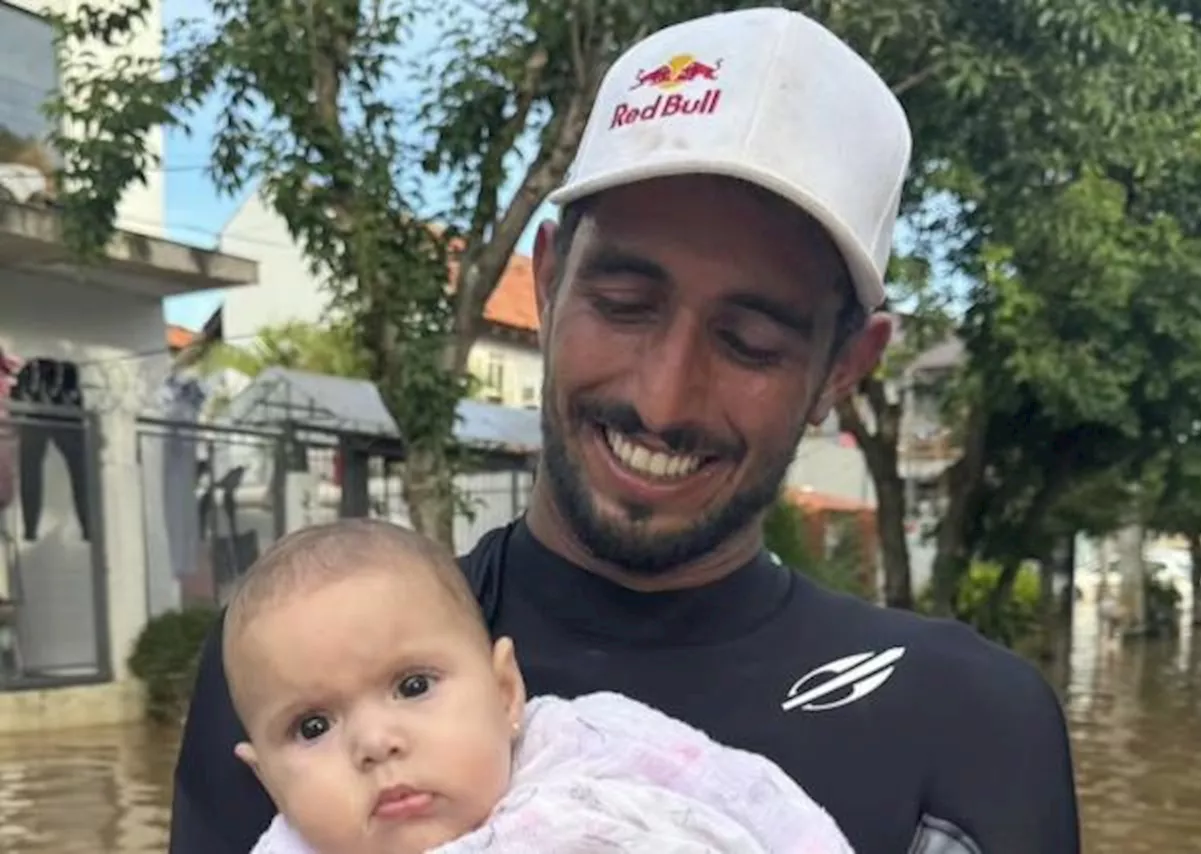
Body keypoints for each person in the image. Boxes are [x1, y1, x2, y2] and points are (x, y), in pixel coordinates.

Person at [170, 8, 1081, 854]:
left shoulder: (971, 730)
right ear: (551, 275)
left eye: (749, 341)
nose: (664, 398)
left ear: (844, 369)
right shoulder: (301, 675)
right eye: (624, 304)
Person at [228, 518, 852, 854]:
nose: (374, 741)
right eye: (313, 727)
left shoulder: (595, 754)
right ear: (267, 782)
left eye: (413, 686)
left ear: (505, 693)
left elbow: (746, 797)